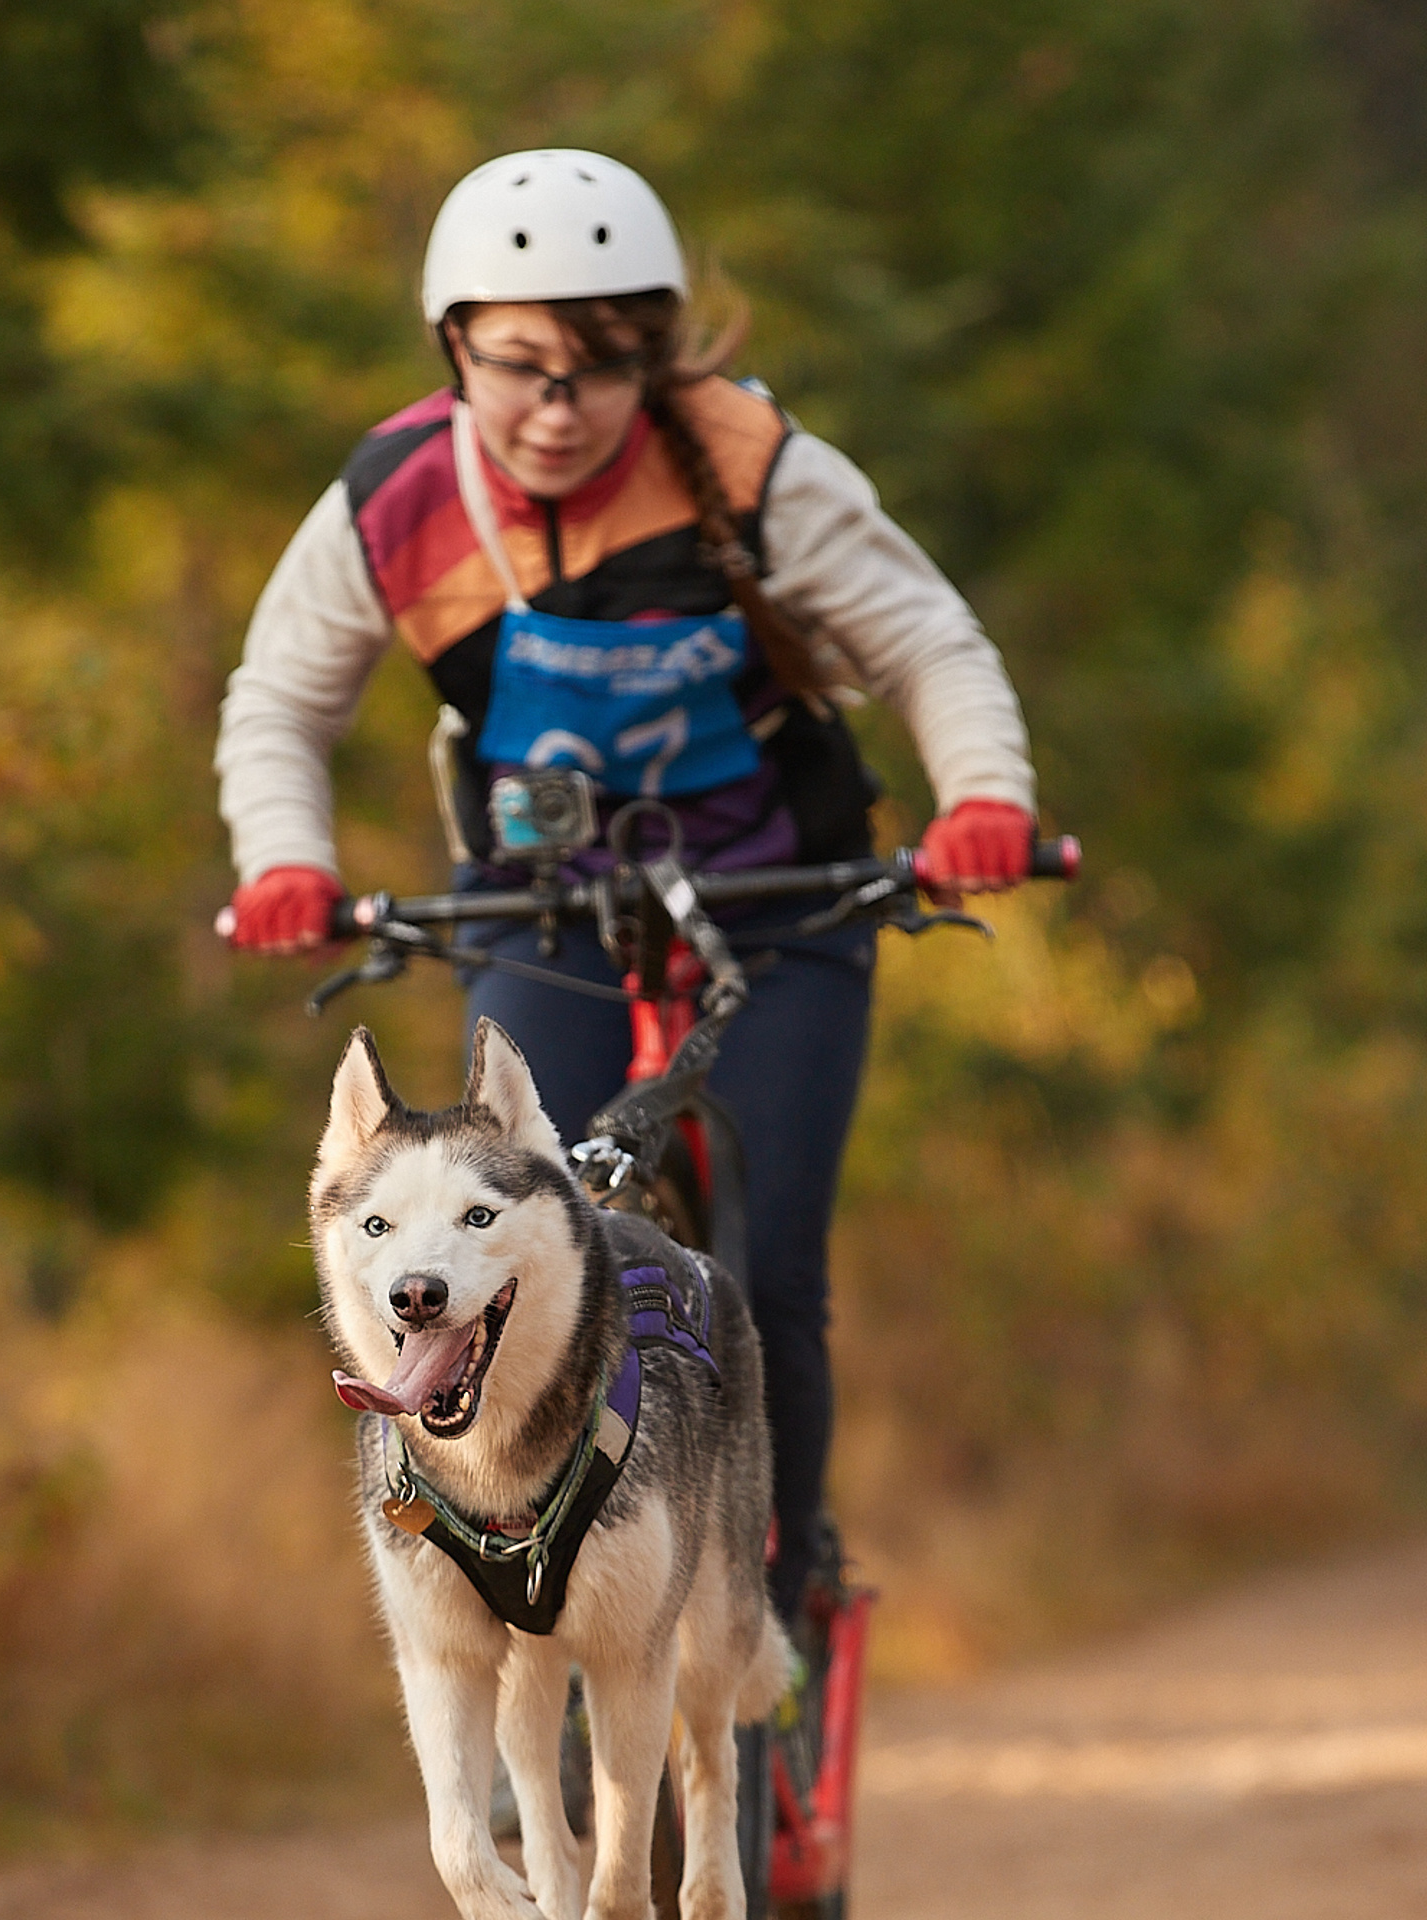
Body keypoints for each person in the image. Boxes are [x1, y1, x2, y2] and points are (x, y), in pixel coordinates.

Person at [214, 149, 1036, 1630]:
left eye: (600, 367)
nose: (557, 404)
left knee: (769, 1269)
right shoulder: (397, 497)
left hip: (785, 898)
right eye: (518, 363)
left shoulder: (749, 462)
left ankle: (767, 1595)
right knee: (542, 1226)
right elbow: (281, 700)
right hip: (541, 904)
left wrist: (986, 802)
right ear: (453, 347)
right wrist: (288, 862)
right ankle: (523, 1569)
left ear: (650, 360)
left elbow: (929, 641)